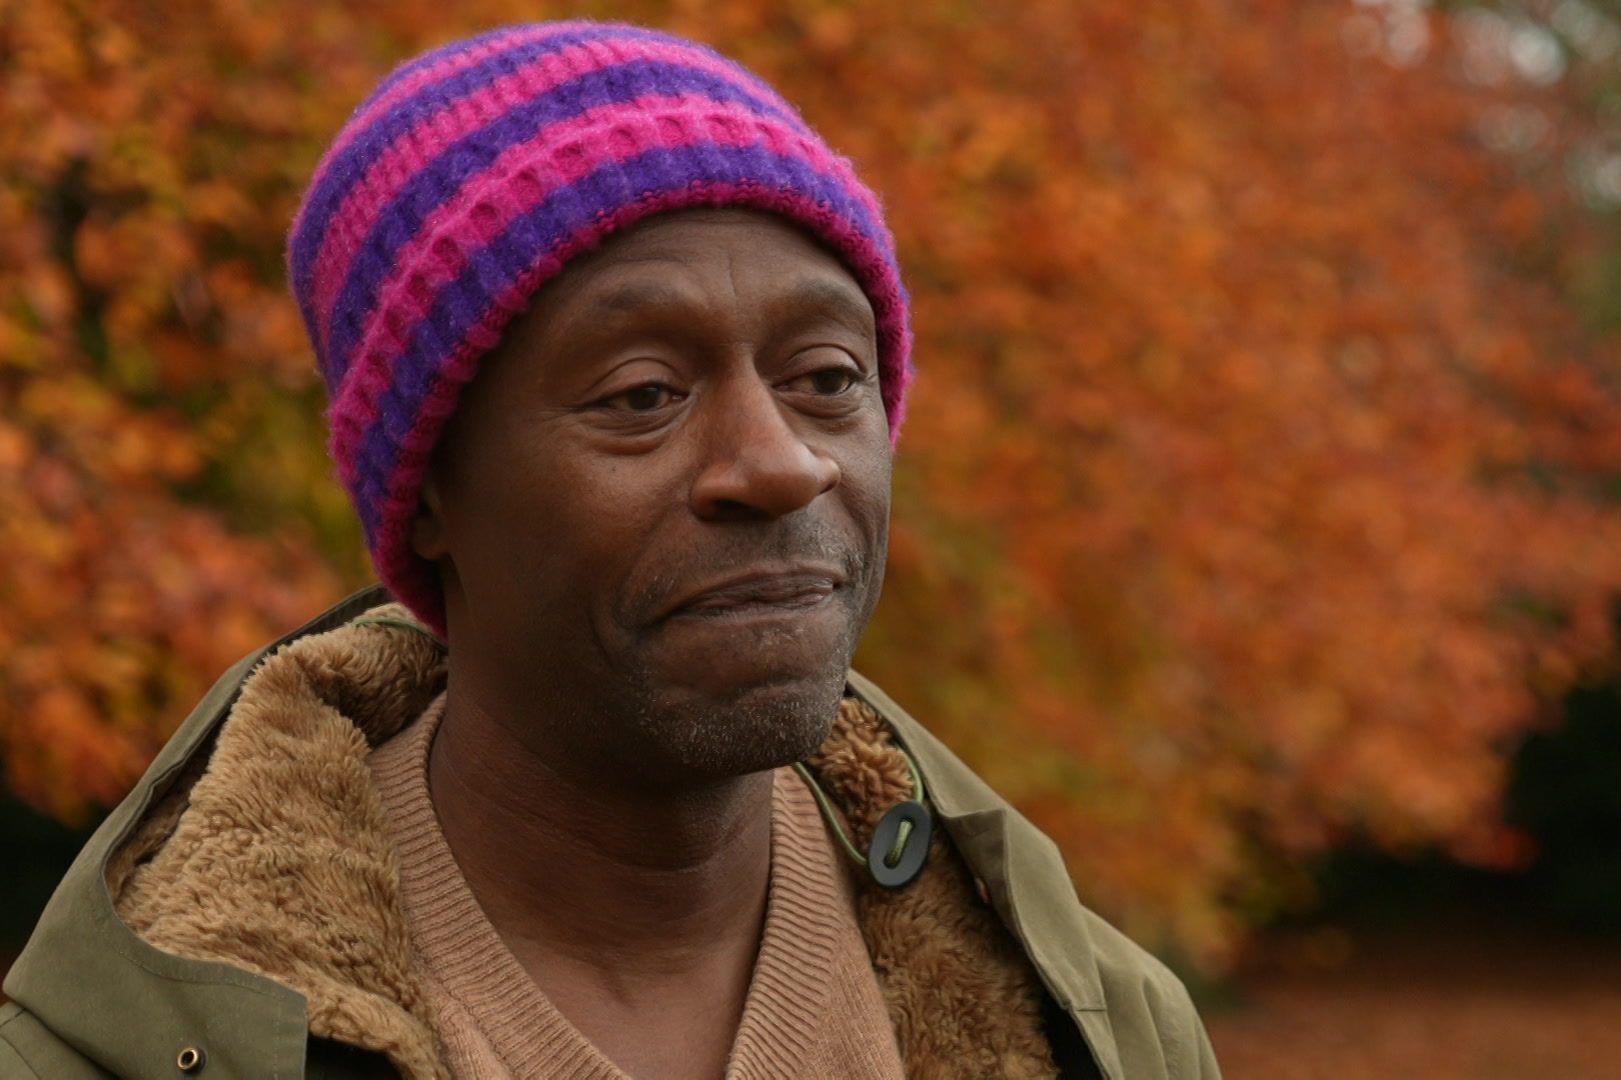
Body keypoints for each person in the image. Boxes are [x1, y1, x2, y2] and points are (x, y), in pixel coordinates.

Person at [0, 20, 1219, 1080]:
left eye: (828, 378)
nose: (782, 462)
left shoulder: (1103, 1034)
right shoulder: (122, 1050)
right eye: (641, 393)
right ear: (430, 494)